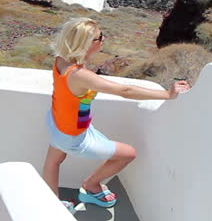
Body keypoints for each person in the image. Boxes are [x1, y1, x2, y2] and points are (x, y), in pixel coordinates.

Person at [43, 18, 190, 210]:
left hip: (56, 123)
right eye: (99, 37)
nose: (103, 39)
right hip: (72, 136)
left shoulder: (61, 60)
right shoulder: (80, 75)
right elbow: (125, 91)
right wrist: (167, 94)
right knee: (128, 154)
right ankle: (91, 185)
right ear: (87, 44)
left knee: (53, 162)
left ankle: (52, 206)